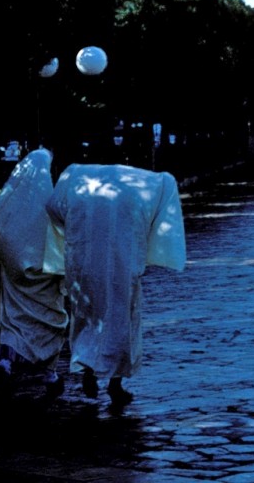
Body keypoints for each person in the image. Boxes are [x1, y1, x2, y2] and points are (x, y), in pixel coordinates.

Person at [44, 162, 186, 406]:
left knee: (87, 314)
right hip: (122, 263)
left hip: (84, 260)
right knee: (121, 319)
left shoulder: (77, 179)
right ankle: (115, 383)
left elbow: (54, 207)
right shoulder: (142, 186)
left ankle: (89, 370)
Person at [0, 148, 66, 397]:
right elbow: (61, 237)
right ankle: (49, 374)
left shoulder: (6, 199)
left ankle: (6, 362)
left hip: (14, 276)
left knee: (14, 320)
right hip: (45, 277)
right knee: (49, 321)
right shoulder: (51, 202)